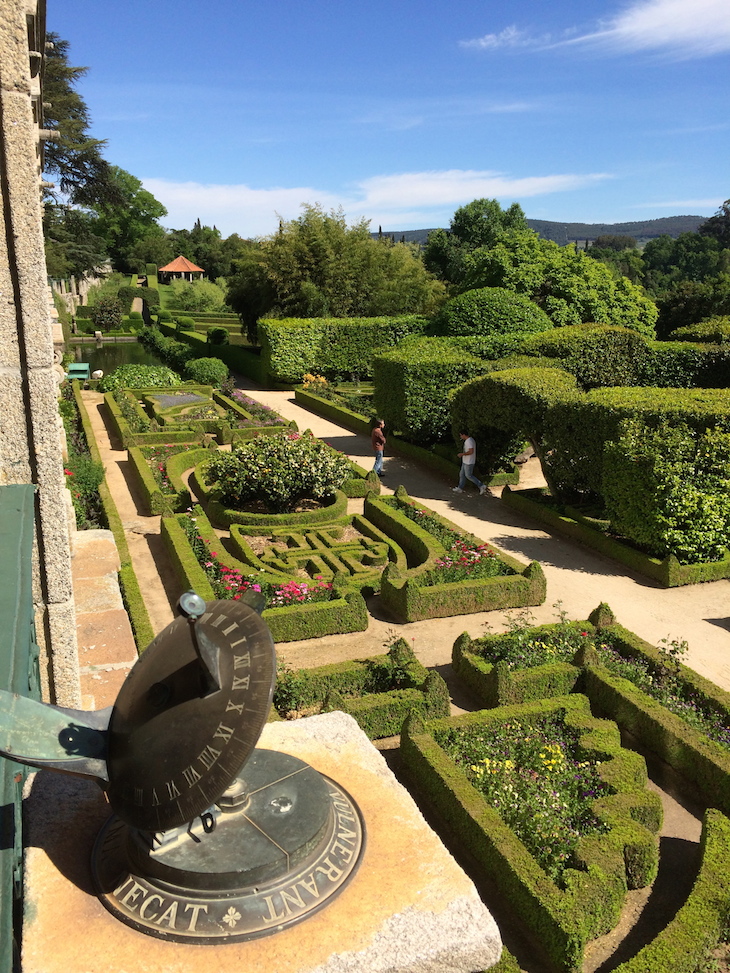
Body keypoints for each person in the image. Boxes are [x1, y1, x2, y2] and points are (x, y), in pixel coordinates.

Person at [453, 431, 486, 495]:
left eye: (461, 435)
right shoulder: (470, 440)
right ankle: (460, 488)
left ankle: (481, 485)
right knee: (462, 474)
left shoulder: (469, 441)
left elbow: (471, 451)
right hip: (466, 461)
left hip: (469, 462)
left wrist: (462, 454)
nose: (460, 437)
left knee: (468, 475)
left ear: (464, 435)